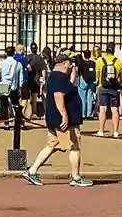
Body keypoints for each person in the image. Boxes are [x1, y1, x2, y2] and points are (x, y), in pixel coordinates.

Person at [24, 51, 91, 187]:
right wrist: (64, 115)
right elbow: (58, 96)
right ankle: (76, 177)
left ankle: (32, 170)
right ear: (65, 63)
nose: (72, 66)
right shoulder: (59, 77)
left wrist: (72, 77)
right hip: (64, 121)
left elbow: (65, 90)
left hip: (55, 118)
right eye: (70, 63)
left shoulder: (55, 77)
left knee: (52, 145)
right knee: (74, 146)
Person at [93, 43, 122, 137]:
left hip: (103, 87)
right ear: (113, 51)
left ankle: (101, 131)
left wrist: (98, 81)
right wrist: (119, 84)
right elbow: (121, 75)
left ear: (106, 50)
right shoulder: (118, 62)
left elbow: (97, 74)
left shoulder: (100, 61)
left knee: (103, 109)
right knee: (115, 109)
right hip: (114, 88)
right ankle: (115, 132)